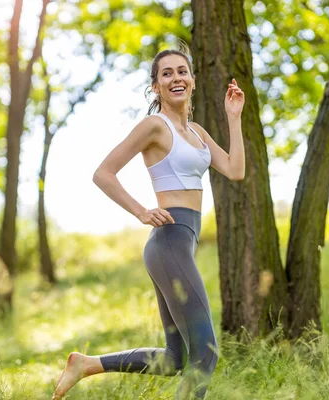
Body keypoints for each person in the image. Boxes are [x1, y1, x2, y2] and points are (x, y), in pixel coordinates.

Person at [52, 46, 245, 400]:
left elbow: (235, 170)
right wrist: (141, 211)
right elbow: (103, 173)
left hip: (178, 244)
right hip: (168, 242)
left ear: (193, 80)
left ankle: (85, 364)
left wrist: (233, 117)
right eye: (166, 73)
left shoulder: (198, 132)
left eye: (182, 71)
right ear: (155, 87)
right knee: (206, 353)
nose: (176, 78)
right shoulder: (155, 125)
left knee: (175, 360)